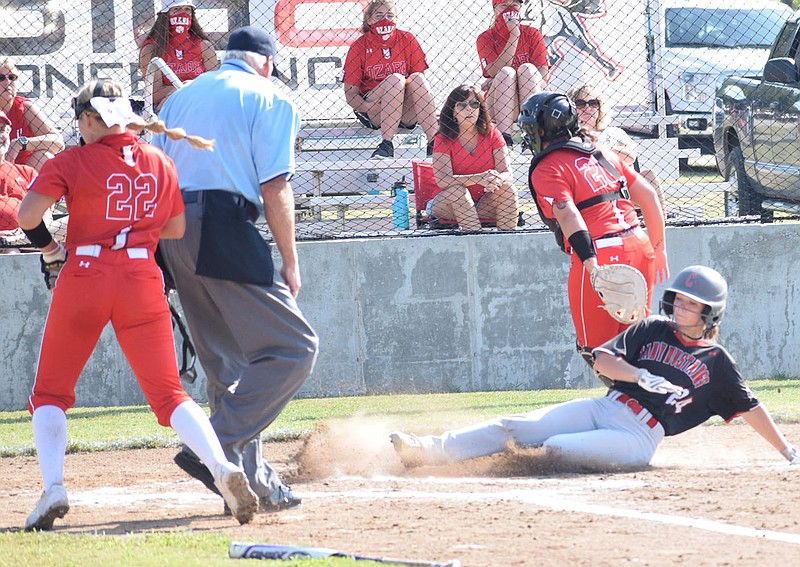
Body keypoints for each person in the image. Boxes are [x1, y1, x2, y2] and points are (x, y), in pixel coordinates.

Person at [16, 78, 259, 531]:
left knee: (50, 393)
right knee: (170, 395)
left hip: (85, 275)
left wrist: (52, 250)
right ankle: (221, 468)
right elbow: (175, 229)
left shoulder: (73, 159)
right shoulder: (159, 158)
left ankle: (54, 488)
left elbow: (26, 216)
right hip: (141, 277)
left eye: (81, 120)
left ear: (91, 119)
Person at [390, 265, 800, 470]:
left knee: (557, 449)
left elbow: (749, 406)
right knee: (515, 426)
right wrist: (638, 375)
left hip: (639, 435)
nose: (680, 307)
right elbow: (603, 357)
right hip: (605, 406)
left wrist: (787, 451)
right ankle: (427, 450)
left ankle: (491, 467)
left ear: (711, 313)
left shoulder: (717, 361)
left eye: (692, 304)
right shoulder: (654, 327)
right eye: (677, 298)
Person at [154, 26, 319, 515]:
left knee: (226, 368)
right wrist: (290, 260)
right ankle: (215, 450)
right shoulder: (269, 97)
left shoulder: (182, 97)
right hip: (223, 223)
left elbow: (156, 172)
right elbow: (275, 188)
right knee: (293, 349)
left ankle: (251, 485)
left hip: (172, 230)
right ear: (265, 62)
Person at [518, 91, 668, 375]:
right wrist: (659, 250)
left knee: (597, 353)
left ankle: (645, 401)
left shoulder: (548, 166)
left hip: (599, 252)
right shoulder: (604, 154)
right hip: (639, 245)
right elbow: (648, 196)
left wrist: (591, 264)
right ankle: (644, 403)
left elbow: (568, 214)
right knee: (633, 345)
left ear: (542, 129)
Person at [342, 0, 438, 158]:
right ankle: (386, 144)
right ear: (369, 20)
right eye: (379, 15)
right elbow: (350, 95)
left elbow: (417, 83)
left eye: (389, 15)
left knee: (417, 79)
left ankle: (434, 143)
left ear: (396, 19)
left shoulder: (407, 39)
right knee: (395, 80)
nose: (385, 19)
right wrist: (367, 107)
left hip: (403, 111)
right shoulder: (359, 46)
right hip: (375, 109)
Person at [567, 83, 666, 218]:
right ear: (572, 109)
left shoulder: (613, 132)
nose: (588, 108)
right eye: (580, 104)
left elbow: (630, 156)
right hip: (592, 188)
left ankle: (663, 227)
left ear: (600, 107)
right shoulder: (571, 136)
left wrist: (595, 149)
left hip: (624, 186)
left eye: (593, 103)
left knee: (650, 175)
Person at [429, 84, 518, 231]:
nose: (469, 109)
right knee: (458, 192)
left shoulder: (493, 133)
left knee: (507, 188)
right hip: (449, 204)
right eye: (462, 105)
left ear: (480, 108)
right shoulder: (442, 138)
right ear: (453, 112)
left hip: (484, 202)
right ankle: (478, 245)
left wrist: (495, 180)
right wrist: (478, 178)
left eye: (474, 104)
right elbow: (443, 181)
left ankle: (508, 246)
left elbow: (507, 173)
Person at [477, 0, 549, 149]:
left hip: (528, 100)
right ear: (495, 10)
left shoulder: (532, 33)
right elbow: (494, 71)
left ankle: (532, 137)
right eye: (504, 6)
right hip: (498, 105)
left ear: (520, 8)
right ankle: (504, 140)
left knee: (527, 69)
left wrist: (522, 83)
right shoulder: (486, 37)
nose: (510, 9)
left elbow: (543, 75)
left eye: (515, 5)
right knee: (506, 73)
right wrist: (514, 36)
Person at [138, 0, 219, 112]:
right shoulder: (151, 48)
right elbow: (154, 94)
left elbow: (214, 86)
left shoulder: (204, 46)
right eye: (176, 9)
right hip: (167, 107)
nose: (183, 13)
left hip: (200, 105)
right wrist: (185, 87)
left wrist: (189, 87)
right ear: (165, 14)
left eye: (187, 9)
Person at [0, 58, 65, 171]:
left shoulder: (24, 107)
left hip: (20, 170)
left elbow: (58, 142)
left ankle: (31, 188)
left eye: (12, 77)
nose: (8, 82)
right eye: (1, 78)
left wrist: (20, 143)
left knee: (45, 156)